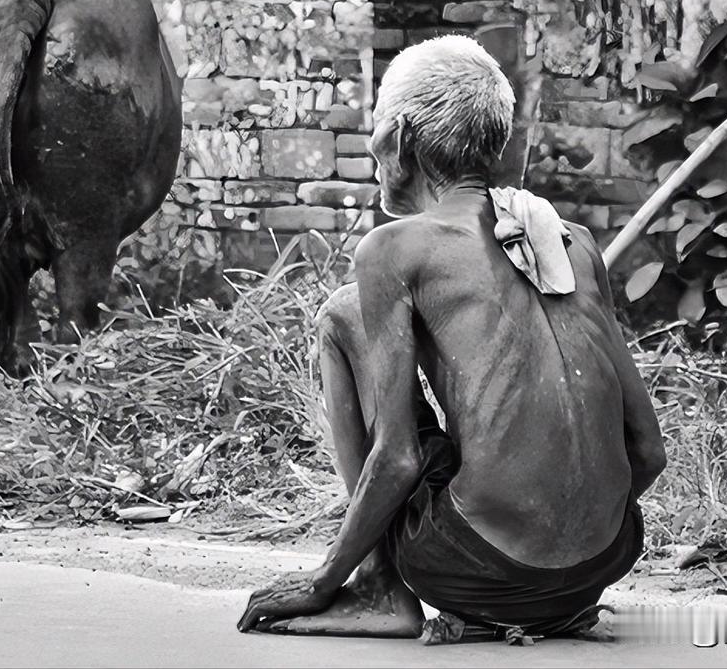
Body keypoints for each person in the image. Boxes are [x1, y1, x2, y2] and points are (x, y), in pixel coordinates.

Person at [237, 35, 667, 642]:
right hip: (607, 560)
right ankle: (549, 599)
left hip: (473, 569)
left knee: (342, 314)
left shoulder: (394, 248)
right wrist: (567, 540)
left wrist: (322, 581)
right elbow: (647, 451)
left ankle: (378, 588)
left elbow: (399, 457)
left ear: (398, 140)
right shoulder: (570, 238)